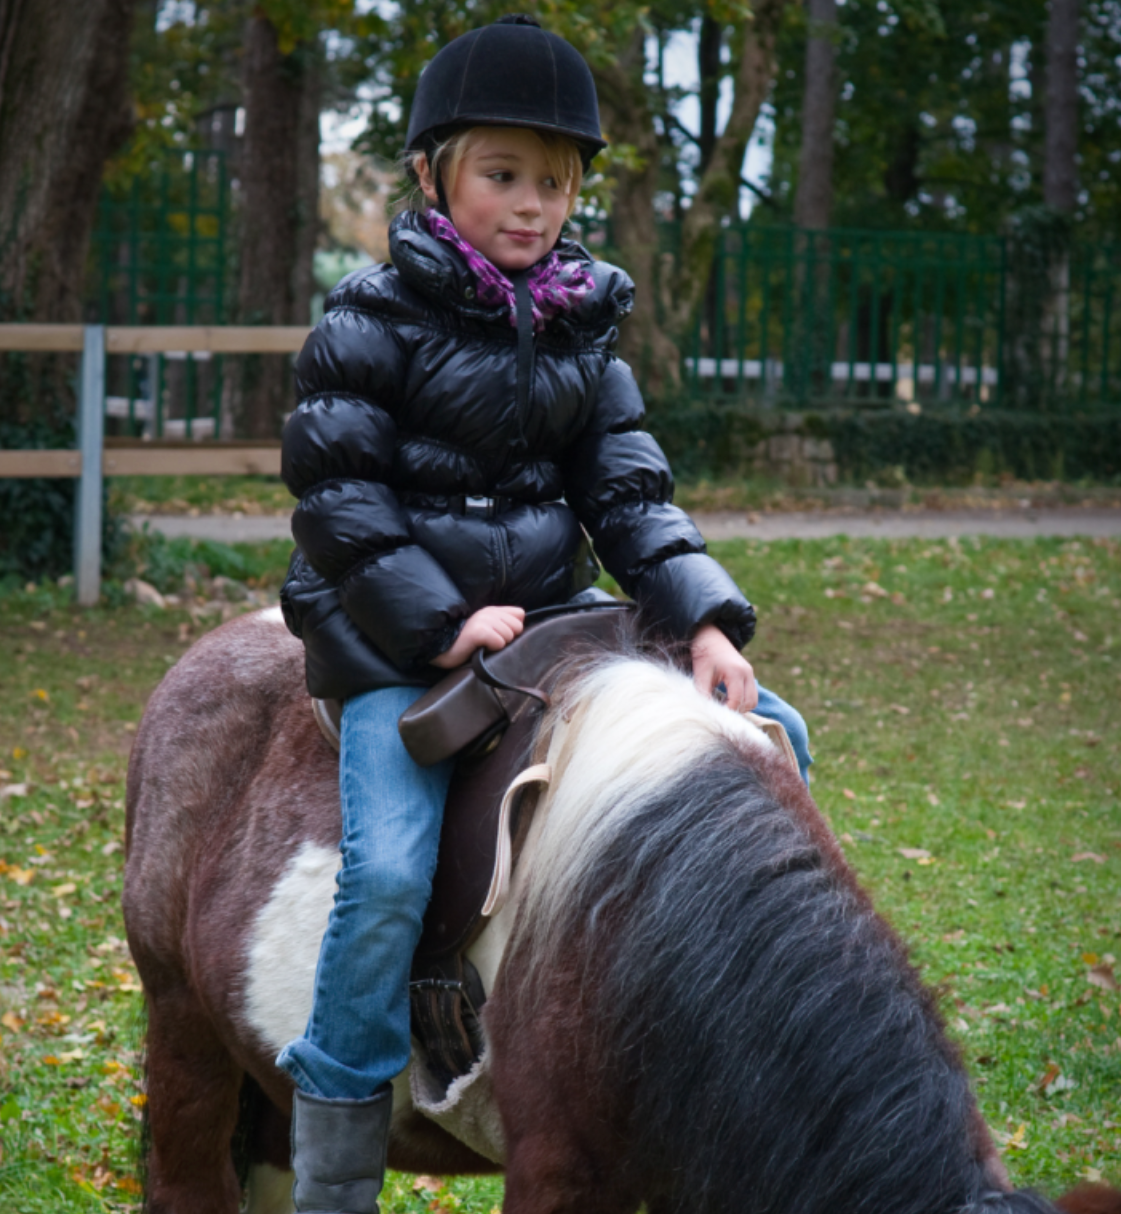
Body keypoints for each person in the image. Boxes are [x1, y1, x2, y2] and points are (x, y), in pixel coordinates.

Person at [276, 15, 811, 1212]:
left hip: (553, 630)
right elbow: (338, 494)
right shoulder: (368, 319)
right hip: (386, 634)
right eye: (502, 174)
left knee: (777, 745)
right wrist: (436, 622)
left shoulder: (582, 322)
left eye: (554, 181)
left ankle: (733, 1027)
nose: (531, 204)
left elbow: (628, 488)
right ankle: (339, 1149)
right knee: (392, 873)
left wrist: (708, 623)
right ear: (433, 175)